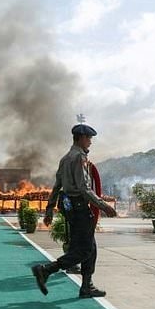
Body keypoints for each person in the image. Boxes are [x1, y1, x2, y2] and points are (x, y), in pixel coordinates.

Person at [32, 124, 116, 297]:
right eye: (89, 139)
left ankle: (87, 286)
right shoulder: (79, 158)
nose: (90, 142)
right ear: (81, 138)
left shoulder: (65, 158)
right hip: (79, 207)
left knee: (90, 247)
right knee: (84, 250)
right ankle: (46, 270)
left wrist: (49, 209)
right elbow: (85, 188)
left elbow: (57, 186)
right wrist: (103, 205)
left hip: (70, 208)